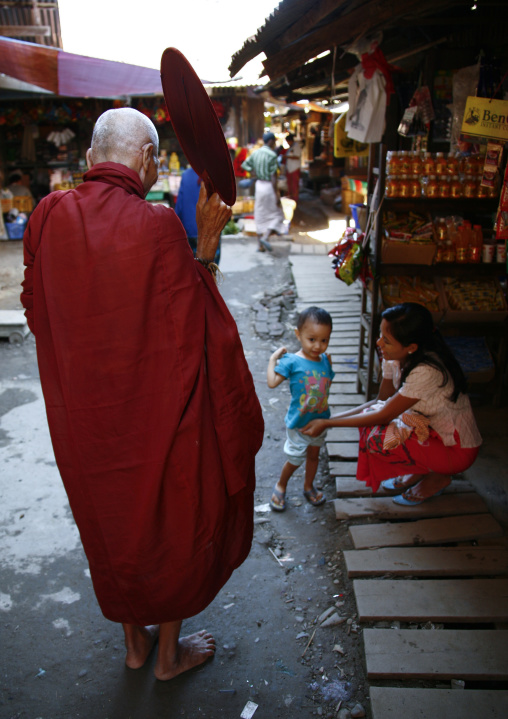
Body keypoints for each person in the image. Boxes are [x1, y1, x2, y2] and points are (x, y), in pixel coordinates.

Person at [20, 107, 264, 680]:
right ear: (150, 161)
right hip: (157, 411)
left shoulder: (49, 213)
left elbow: (35, 308)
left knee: (110, 520)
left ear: (88, 161)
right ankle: (169, 655)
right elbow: (195, 327)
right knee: (171, 514)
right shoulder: (155, 224)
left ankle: (135, 647)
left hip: (84, 415)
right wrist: (204, 246)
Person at [302, 303, 482, 505]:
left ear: (411, 348)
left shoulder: (426, 371)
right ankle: (419, 469)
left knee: (377, 438)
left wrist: (327, 424)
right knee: (374, 419)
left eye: (386, 340)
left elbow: (384, 414)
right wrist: (328, 419)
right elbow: (380, 401)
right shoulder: (395, 356)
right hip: (428, 431)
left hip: (455, 448)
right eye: (381, 335)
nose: (379, 343)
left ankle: (438, 476)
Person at [267, 306, 334, 511]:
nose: (318, 346)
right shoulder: (291, 361)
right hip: (299, 423)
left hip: (320, 421)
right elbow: (271, 382)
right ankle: (281, 485)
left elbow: (326, 381)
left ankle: (308, 486)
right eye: (311, 339)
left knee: (314, 455)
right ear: (298, 335)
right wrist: (272, 360)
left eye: (324, 340)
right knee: (295, 459)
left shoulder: (325, 360)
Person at [241, 132, 284, 252]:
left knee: (260, 215)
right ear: (270, 141)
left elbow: (245, 165)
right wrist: (277, 196)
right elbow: (273, 176)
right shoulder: (272, 155)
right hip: (269, 186)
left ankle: (259, 245)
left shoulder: (256, 153)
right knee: (278, 214)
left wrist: (253, 172)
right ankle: (266, 237)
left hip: (258, 186)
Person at [174, 165, 220, 263]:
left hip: (190, 231)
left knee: (192, 269)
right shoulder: (216, 175)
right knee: (210, 270)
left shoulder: (186, 175)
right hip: (210, 233)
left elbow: (179, 208)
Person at [284, 133, 302, 203]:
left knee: (294, 185)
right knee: (290, 185)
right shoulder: (291, 147)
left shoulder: (296, 147)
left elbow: (297, 156)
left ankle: (295, 199)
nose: (287, 143)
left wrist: (287, 157)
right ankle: (291, 198)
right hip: (290, 168)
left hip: (294, 168)